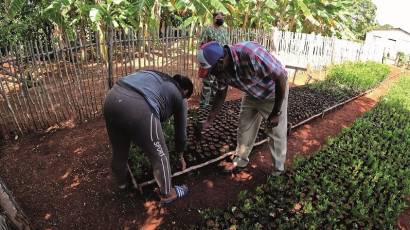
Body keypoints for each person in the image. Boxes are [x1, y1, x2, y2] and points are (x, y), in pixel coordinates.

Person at [197, 41, 289, 175]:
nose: (213, 75)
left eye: (212, 71)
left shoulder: (252, 54)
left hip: (272, 93)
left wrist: (276, 112)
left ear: (221, 61)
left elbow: (281, 77)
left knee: (275, 131)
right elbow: (221, 94)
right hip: (252, 93)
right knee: (244, 127)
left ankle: (279, 169)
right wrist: (208, 121)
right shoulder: (221, 70)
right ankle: (240, 161)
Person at [103, 70, 193, 204]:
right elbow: (180, 134)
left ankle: (121, 185)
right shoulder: (181, 97)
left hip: (112, 98)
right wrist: (180, 154)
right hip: (137, 106)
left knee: (120, 151)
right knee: (160, 156)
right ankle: (167, 193)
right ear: (185, 91)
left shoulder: (160, 78)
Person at [198, 12, 229, 108]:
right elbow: (202, 44)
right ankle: (204, 105)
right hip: (210, 59)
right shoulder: (207, 30)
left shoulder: (224, 31)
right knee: (208, 82)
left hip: (221, 60)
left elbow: (226, 44)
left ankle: (213, 103)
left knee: (217, 82)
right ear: (214, 18)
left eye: (222, 18)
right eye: (219, 18)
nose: (221, 20)